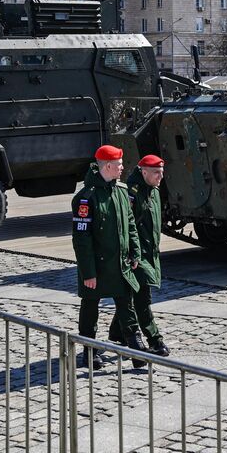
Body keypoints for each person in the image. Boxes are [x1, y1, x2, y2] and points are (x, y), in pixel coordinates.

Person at [72, 144, 148, 370]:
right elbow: (82, 239)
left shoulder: (121, 191)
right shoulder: (86, 198)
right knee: (90, 307)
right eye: (118, 164)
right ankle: (89, 350)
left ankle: (136, 349)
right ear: (106, 166)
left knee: (127, 304)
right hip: (97, 266)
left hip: (120, 264)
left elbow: (131, 224)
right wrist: (88, 272)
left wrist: (135, 252)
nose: (123, 167)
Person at [109, 154, 170, 357]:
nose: (160, 177)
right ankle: (155, 339)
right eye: (156, 173)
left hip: (150, 253)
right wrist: (132, 255)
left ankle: (117, 332)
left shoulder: (154, 191)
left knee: (134, 297)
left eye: (161, 173)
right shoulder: (131, 194)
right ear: (143, 172)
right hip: (137, 256)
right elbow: (127, 227)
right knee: (143, 297)